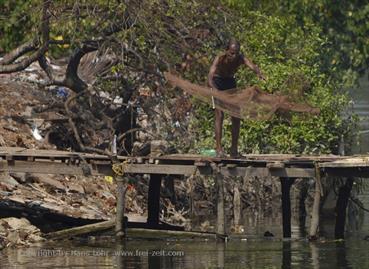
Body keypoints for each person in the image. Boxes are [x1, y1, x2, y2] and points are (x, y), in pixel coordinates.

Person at [208, 38, 265, 158]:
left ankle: (234, 150)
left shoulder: (240, 58)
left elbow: (251, 65)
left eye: (236, 53)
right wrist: (216, 91)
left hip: (230, 82)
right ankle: (219, 149)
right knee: (220, 114)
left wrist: (259, 73)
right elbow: (210, 77)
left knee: (236, 115)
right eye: (231, 53)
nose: (234, 56)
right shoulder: (220, 58)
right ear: (226, 50)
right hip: (217, 82)